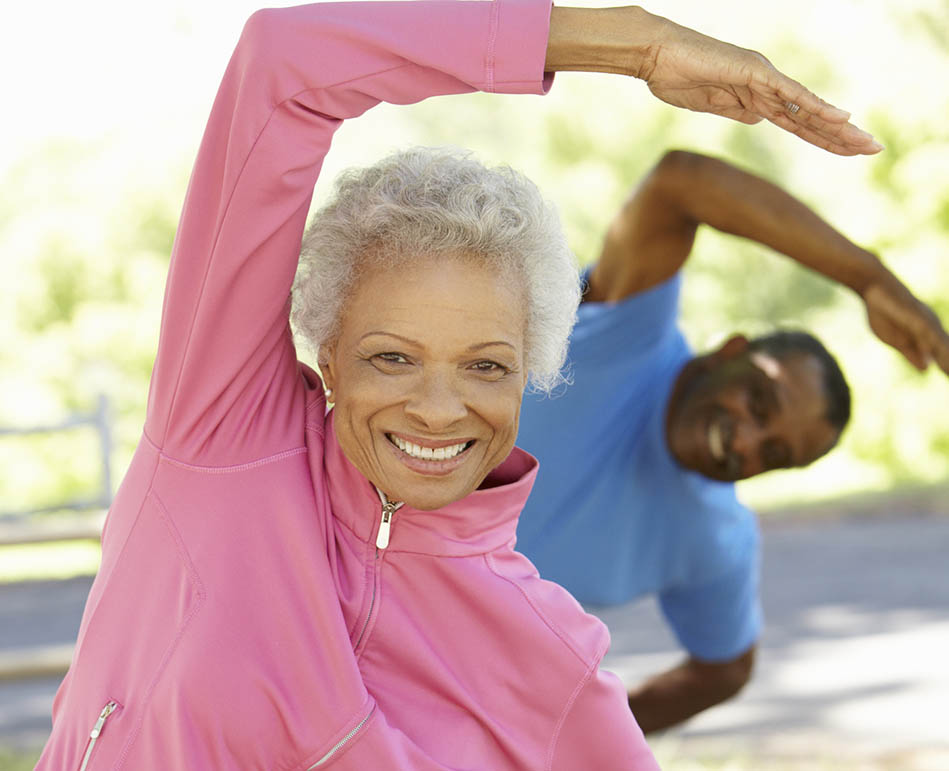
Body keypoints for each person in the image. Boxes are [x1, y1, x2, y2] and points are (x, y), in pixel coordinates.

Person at [36, 2, 883, 768]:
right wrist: (637, 44)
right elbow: (283, 63)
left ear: (530, 376)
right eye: (391, 357)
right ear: (327, 351)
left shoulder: (549, 655)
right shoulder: (220, 428)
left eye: (485, 366)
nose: (439, 409)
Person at [514, 148, 949, 734]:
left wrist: (570, 740)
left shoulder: (715, 541)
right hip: (348, 557)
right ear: (730, 351)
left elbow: (725, 671)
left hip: (410, 677)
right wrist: (867, 277)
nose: (746, 438)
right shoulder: (630, 330)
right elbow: (680, 181)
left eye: (772, 455)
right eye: (759, 401)